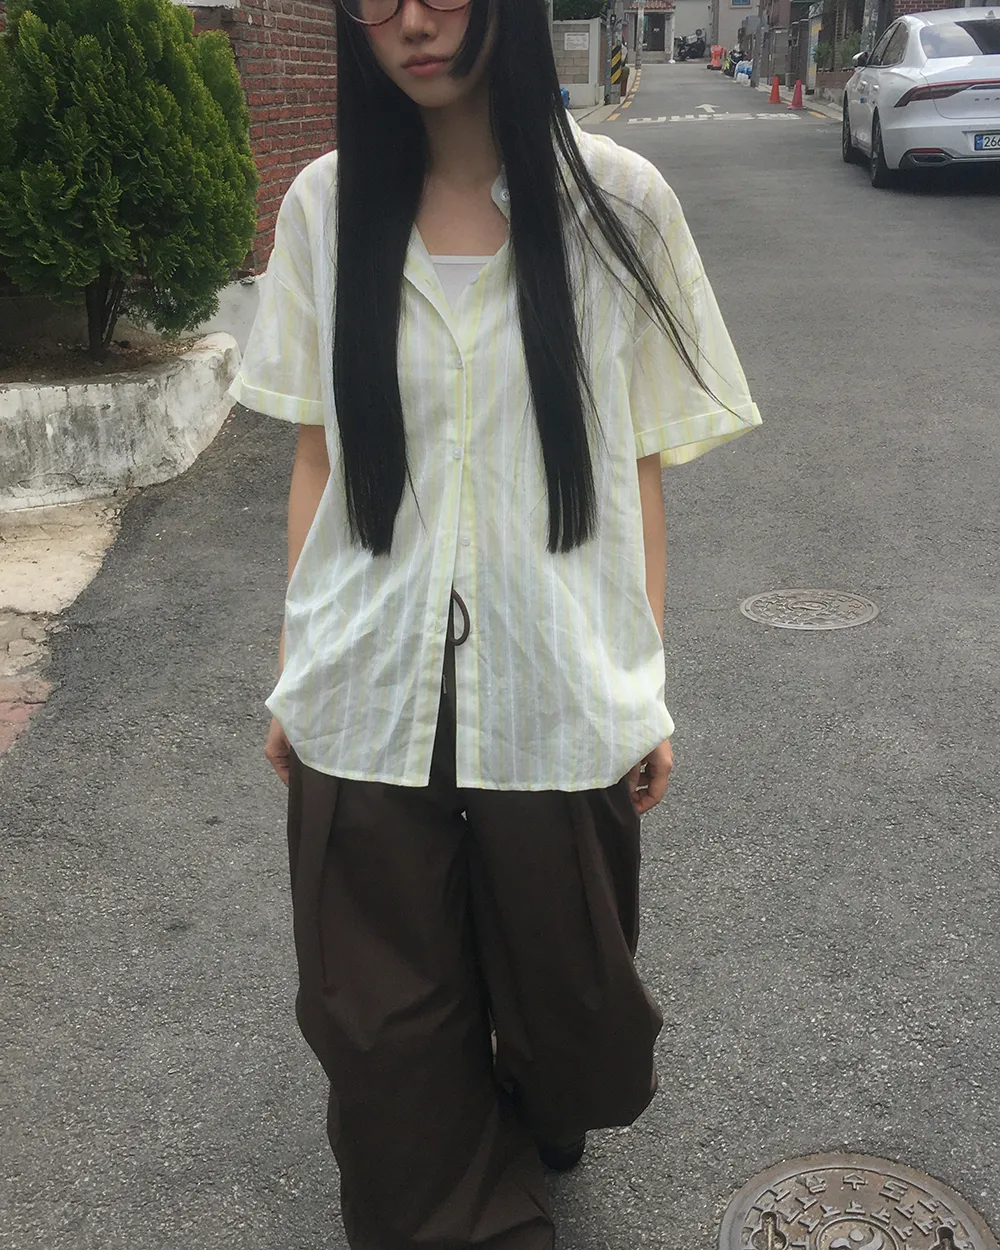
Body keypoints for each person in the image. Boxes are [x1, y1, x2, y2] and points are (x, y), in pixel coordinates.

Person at [228, 0, 761, 1246]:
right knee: (379, 1023)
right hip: (368, 676)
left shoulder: (619, 206)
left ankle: (547, 1090)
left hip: (554, 676)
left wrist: (641, 680)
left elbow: (635, 463)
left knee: (577, 1010)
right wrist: (297, 663)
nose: (411, 22)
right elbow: (317, 453)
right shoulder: (324, 206)